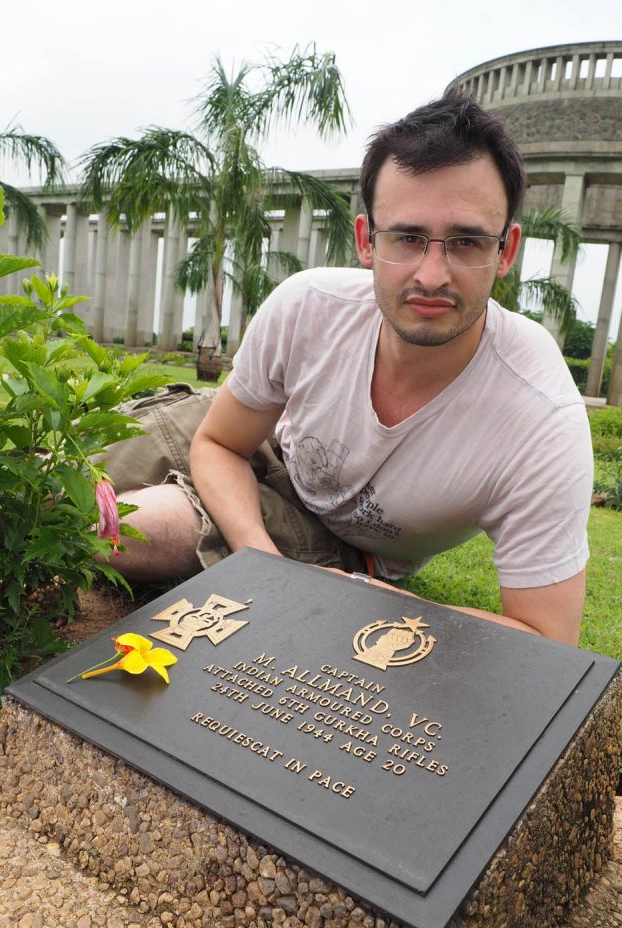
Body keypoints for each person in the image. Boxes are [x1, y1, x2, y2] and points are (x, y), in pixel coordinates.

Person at [108, 95, 593, 646]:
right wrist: (260, 564)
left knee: (114, 528)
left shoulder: (539, 416)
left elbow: (547, 638)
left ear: (505, 251)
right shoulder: (309, 305)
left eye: (466, 242)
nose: (432, 275)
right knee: (46, 479)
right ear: (366, 240)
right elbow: (220, 443)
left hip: (346, 539)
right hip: (262, 444)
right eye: (408, 238)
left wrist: (354, 597)